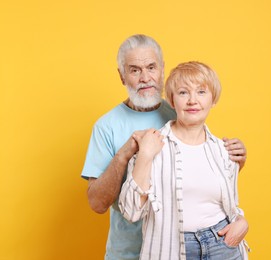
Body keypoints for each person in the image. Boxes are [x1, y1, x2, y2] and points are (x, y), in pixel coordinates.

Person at [81, 34, 248, 260]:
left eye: (151, 67)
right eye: (134, 70)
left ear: (162, 70)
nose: (145, 77)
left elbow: (200, 178)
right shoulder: (106, 126)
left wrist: (234, 161)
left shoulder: (183, 110)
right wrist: (128, 153)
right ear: (122, 76)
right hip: (131, 251)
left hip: (191, 246)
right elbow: (98, 204)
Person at [119, 61, 249, 260]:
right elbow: (130, 211)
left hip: (223, 246)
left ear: (213, 99)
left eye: (201, 92)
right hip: (171, 250)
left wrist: (241, 222)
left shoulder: (224, 151)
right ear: (172, 101)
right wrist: (145, 155)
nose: (192, 100)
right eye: (183, 93)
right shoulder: (152, 146)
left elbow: (230, 204)